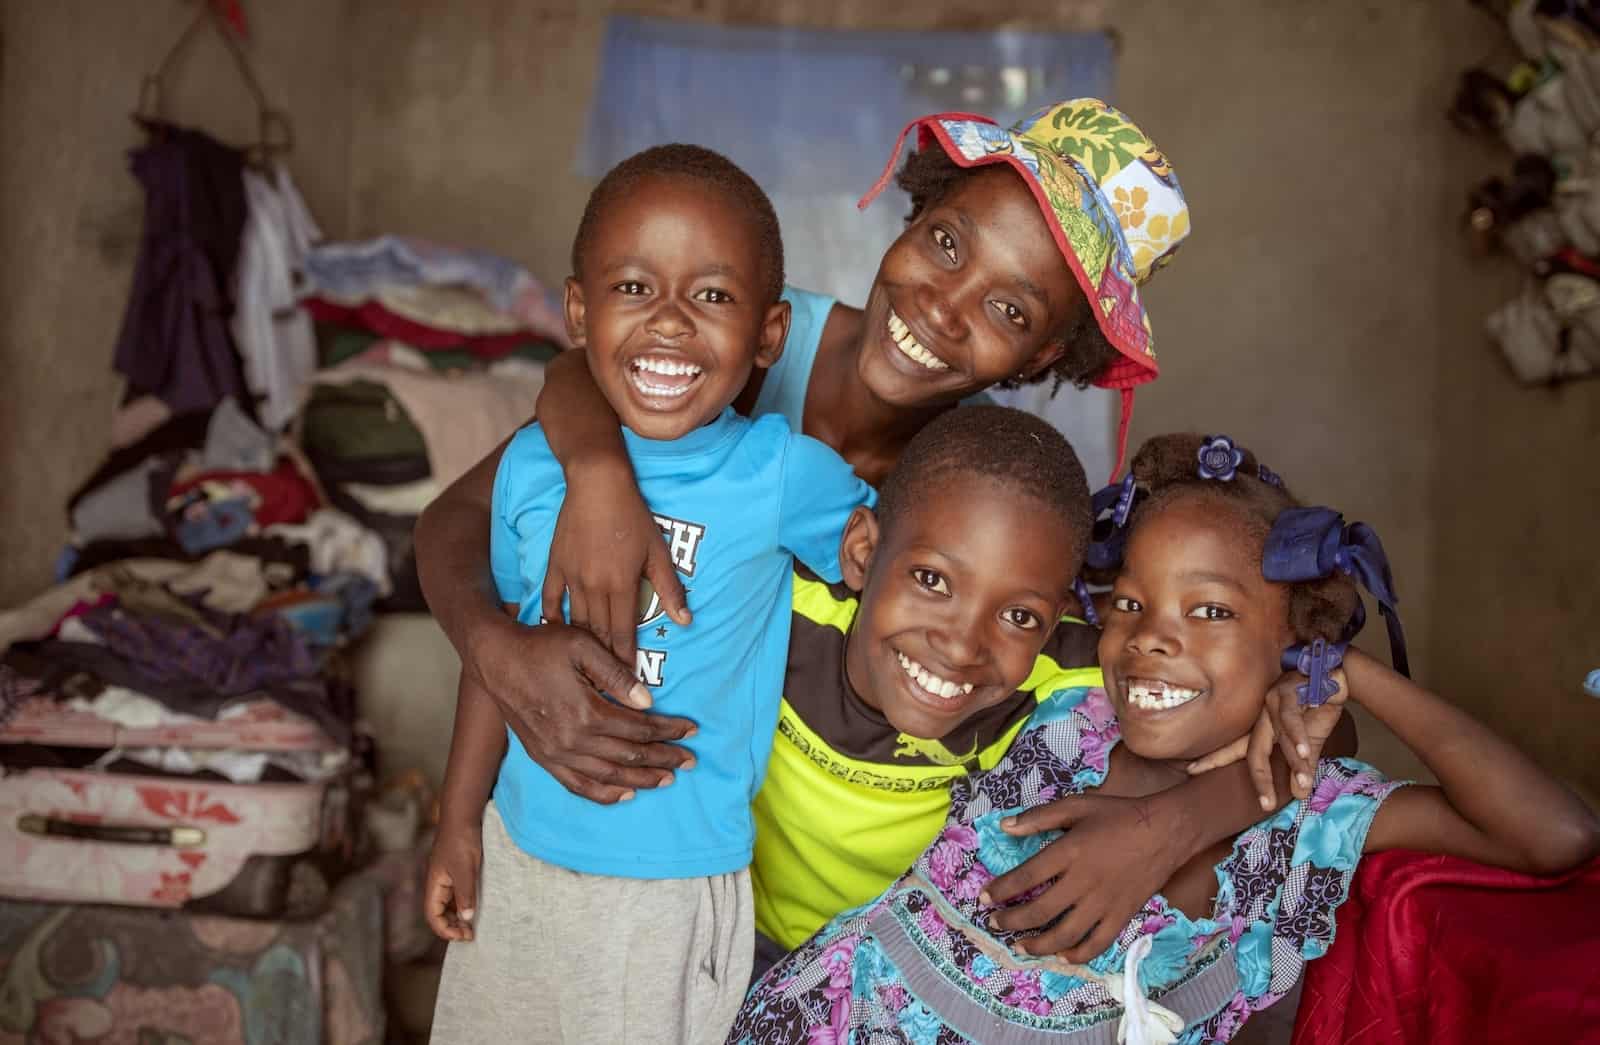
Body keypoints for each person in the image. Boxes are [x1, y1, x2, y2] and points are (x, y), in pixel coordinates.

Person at [417, 103, 1315, 961]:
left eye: (1010, 311)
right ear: (915, 214)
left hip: (754, 907)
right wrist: (586, 490)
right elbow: (465, 507)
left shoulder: (984, 508)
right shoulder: (731, 335)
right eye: (946, 244)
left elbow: (1222, 687)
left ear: (1044, 356)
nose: (943, 307)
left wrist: (1182, 817)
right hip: (615, 856)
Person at [729, 433, 1600, 1045]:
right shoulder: (1062, 710)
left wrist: (1352, 674)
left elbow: (1556, 833)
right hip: (820, 1017)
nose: (1151, 634)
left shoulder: (1315, 819)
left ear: (1296, 636)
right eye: (1130, 603)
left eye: (1210, 609)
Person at [423, 144, 875, 1044]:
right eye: (634, 288)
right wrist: (456, 821)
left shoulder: (780, 472)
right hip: (519, 853)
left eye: (711, 296)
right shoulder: (530, 464)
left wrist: (874, 541)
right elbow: (495, 660)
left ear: (769, 336)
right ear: (579, 313)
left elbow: (885, 552)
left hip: (673, 888)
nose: (669, 322)